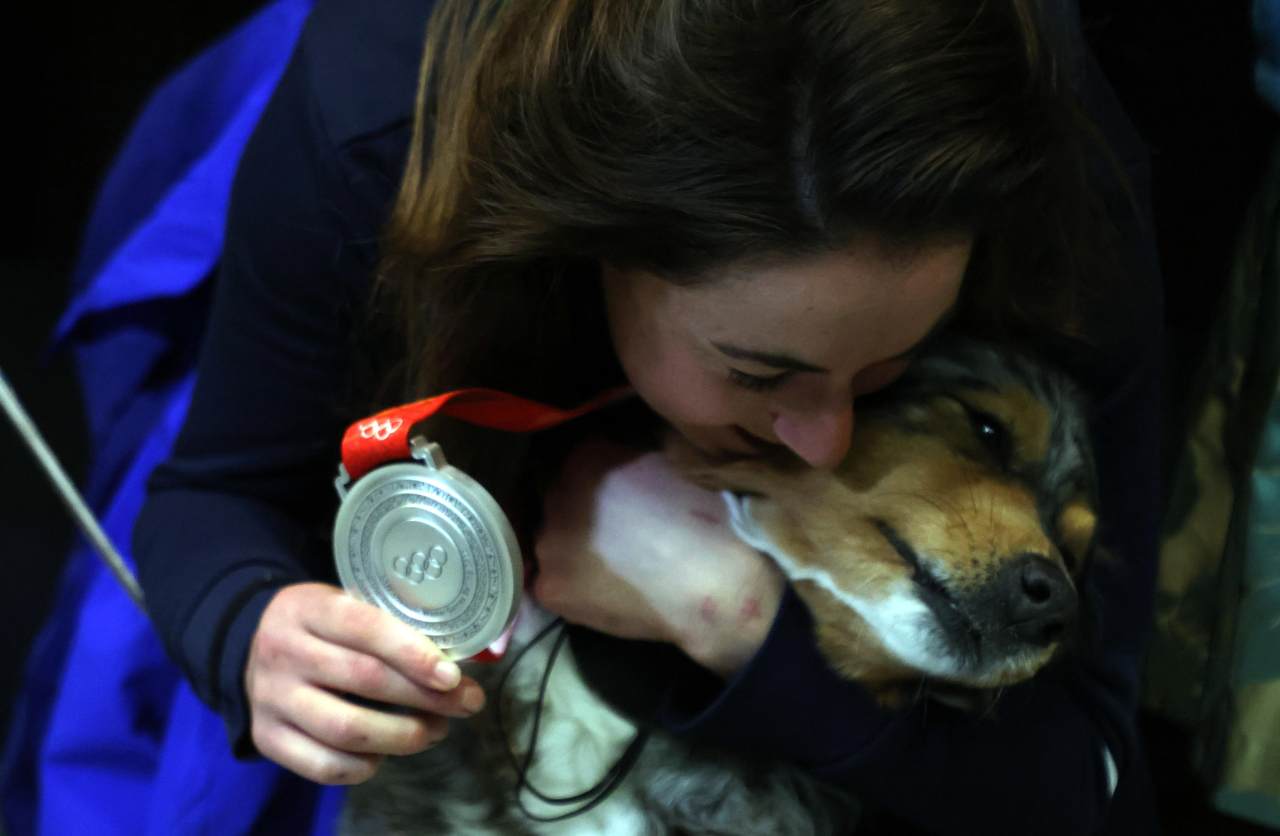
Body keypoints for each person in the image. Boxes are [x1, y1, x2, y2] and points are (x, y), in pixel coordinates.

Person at [130, 0, 1164, 833]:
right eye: (759, 371)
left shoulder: (1058, 182)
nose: (826, 436)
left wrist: (738, 622)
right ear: (596, 246)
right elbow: (216, 491)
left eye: (890, 369)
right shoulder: (376, 122)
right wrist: (251, 630)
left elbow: (1088, 778)